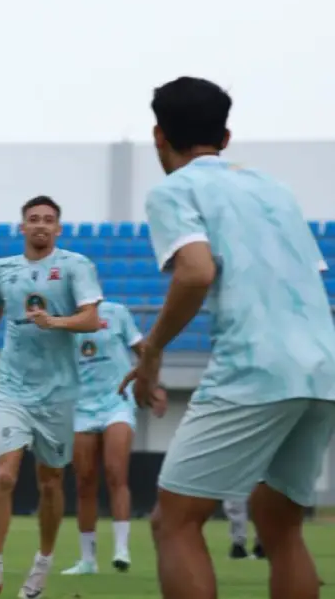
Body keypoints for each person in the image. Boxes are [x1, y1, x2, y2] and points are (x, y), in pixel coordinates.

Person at [120, 76, 335, 599]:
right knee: (279, 521)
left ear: (158, 136)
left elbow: (195, 272)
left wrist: (151, 350)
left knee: (175, 520)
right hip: (323, 366)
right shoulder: (274, 189)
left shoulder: (174, 189)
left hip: (256, 367)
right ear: (227, 135)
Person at [0, 195, 104, 599]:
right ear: (22, 227)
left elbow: (90, 318)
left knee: (50, 483)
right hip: (13, 386)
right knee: (5, 474)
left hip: (59, 391)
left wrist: (55, 322)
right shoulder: (4, 269)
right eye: (34, 219)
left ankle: (41, 566)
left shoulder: (75, 266)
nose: (41, 225)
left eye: (49, 220)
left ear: (58, 228)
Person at [61, 300, 167, 576]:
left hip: (116, 402)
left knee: (115, 472)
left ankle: (122, 549)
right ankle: (88, 559)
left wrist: (153, 385)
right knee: (84, 481)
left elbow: (144, 351)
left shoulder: (116, 312)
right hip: (81, 406)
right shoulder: (61, 321)